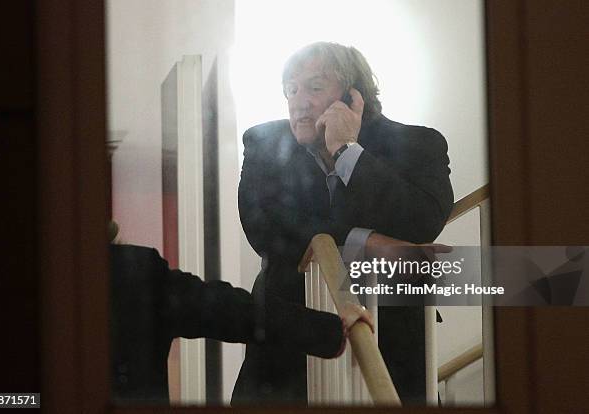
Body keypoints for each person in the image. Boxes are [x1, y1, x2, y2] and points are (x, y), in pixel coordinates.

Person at [232, 42, 454, 405]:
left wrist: (348, 150)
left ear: (354, 97)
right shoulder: (263, 143)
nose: (299, 101)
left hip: (388, 336)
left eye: (315, 87)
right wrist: (366, 242)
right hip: (288, 338)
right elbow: (266, 229)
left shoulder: (418, 143)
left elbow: (423, 219)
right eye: (291, 89)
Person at [109, 243, 373, 404]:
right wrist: (333, 328)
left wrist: (331, 328)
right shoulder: (129, 272)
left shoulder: (127, 273)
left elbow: (230, 311)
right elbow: (228, 310)